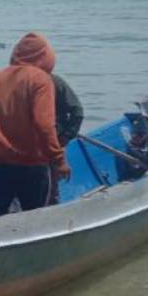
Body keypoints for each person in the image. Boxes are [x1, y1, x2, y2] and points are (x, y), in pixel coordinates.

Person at [0, 32, 70, 219]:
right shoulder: (40, 79)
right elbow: (44, 125)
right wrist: (59, 159)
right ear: (43, 57)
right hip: (31, 166)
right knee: (35, 221)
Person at [48, 73, 84, 205]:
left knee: (51, 187)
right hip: (30, 146)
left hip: (54, 141)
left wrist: (65, 138)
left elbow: (77, 112)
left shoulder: (55, 82)